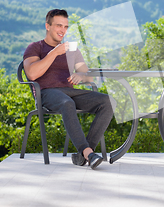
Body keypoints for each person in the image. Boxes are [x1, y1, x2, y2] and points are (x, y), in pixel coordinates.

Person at [23, 9, 114, 169]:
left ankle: (84, 155)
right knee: (66, 103)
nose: (63, 30)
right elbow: (32, 74)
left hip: (70, 92)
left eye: (65, 26)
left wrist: (81, 76)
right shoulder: (35, 48)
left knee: (108, 102)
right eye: (59, 25)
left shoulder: (72, 50)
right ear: (47, 26)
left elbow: (88, 76)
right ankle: (88, 153)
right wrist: (54, 53)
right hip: (46, 93)